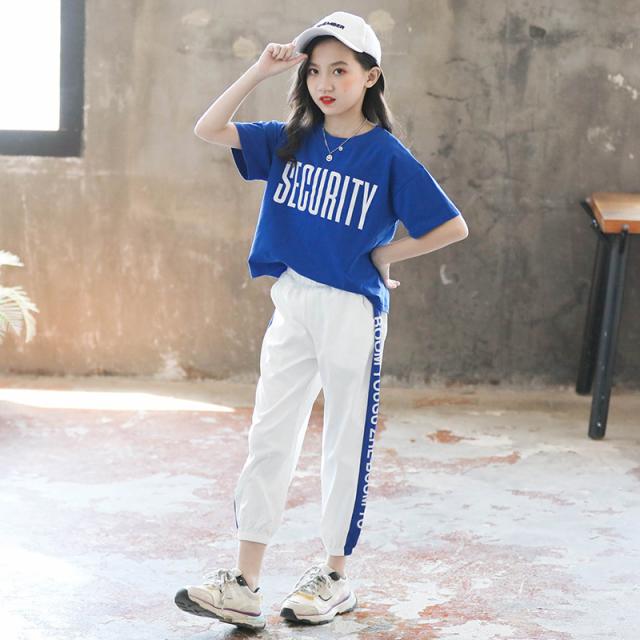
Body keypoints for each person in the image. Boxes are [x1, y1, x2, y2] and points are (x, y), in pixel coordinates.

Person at [174, 10, 469, 631]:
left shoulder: (387, 155)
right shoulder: (292, 139)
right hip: (294, 300)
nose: (324, 84)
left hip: (351, 310)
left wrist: (385, 254)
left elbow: (452, 225)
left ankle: (333, 576)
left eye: (340, 70)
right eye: (314, 71)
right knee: (269, 435)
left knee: (344, 439)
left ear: (371, 76)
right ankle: (245, 582)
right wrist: (260, 70)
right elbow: (208, 127)